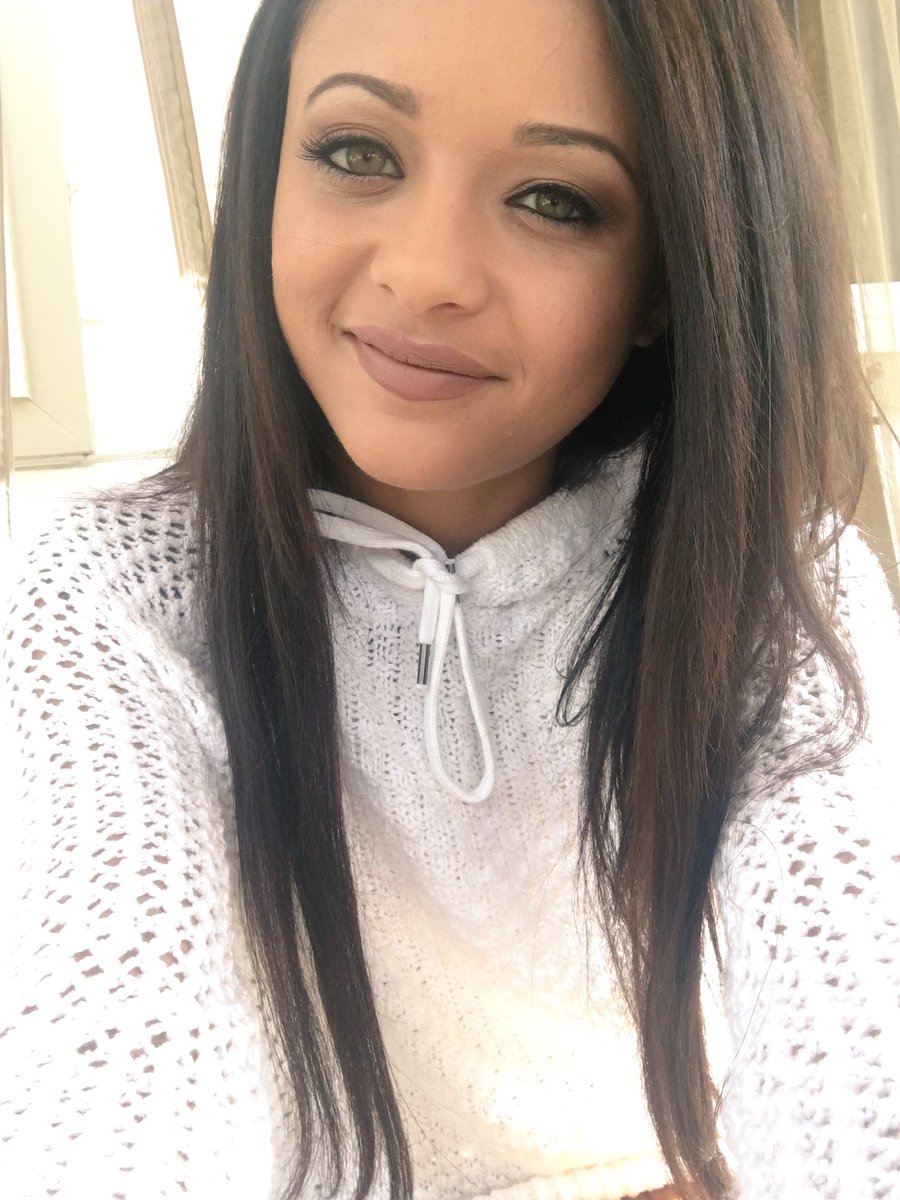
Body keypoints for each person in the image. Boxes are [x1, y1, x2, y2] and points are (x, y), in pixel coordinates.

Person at [1, 0, 897, 1197]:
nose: (426, 275)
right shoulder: (116, 597)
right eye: (356, 153)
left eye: (554, 200)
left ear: (665, 281)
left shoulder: (770, 582)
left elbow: (858, 985)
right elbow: (107, 1022)